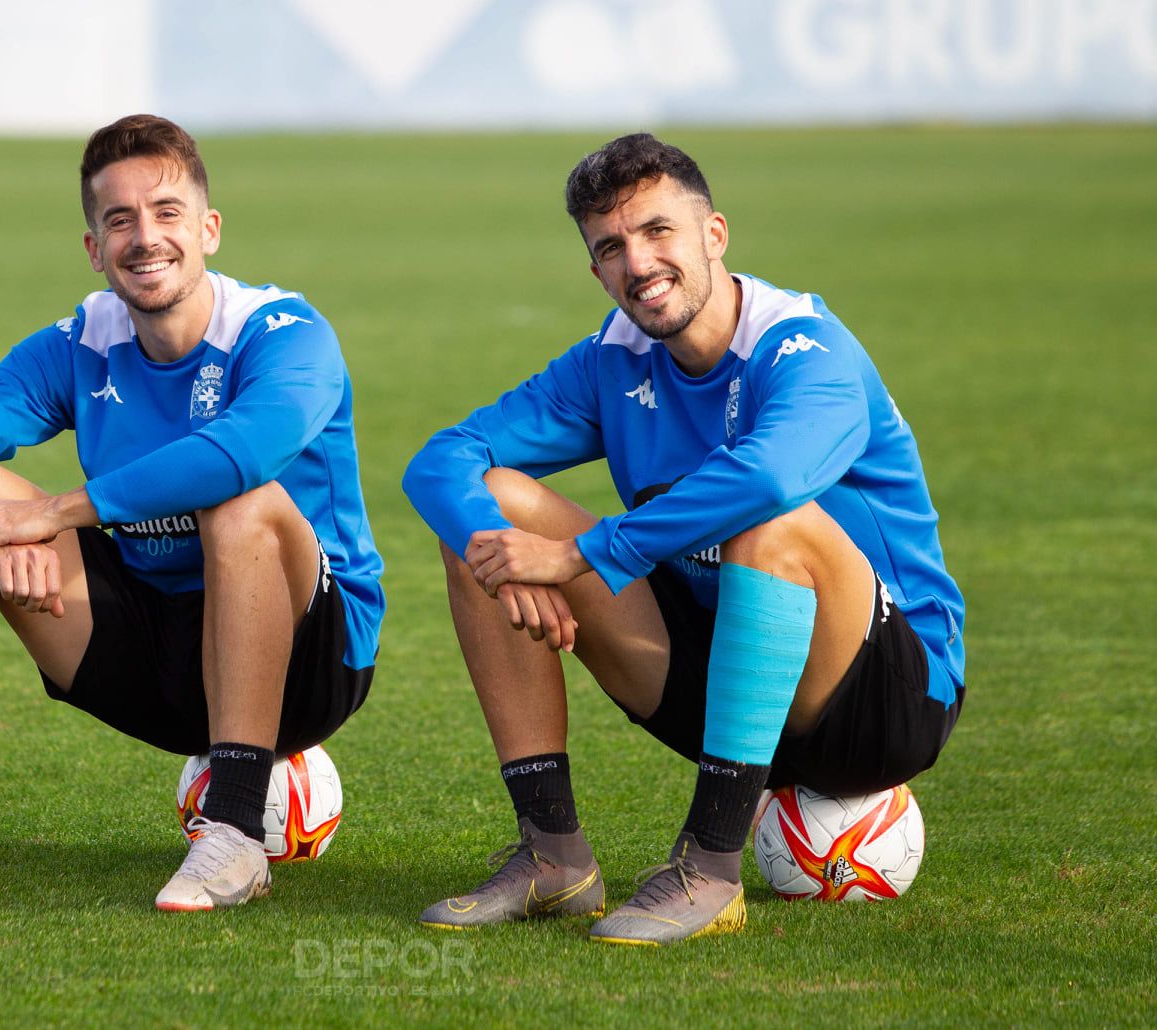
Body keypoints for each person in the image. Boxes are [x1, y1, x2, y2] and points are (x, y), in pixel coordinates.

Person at [0, 114, 384, 912]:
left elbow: (244, 452)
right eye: (119, 219)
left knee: (242, 506)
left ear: (209, 230)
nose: (144, 237)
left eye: (166, 212)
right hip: (156, 655)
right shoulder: (83, 341)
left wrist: (55, 513)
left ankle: (233, 832)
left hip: (310, 663)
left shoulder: (285, 334)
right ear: (94, 247)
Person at [401, 132, 964, 945]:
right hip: (720, 679)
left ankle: (710, 868)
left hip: (884, 699)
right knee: (489, 512)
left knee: (767, 520)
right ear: (596, 270)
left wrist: (582, 554)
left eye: (657, 230)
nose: (638, 263)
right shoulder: (612, 360)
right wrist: (506, 561)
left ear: (714, 234)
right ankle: (553, 857)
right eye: (611, 247)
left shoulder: (807, 350)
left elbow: (771, 477)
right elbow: (441, 458)